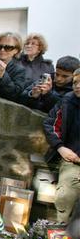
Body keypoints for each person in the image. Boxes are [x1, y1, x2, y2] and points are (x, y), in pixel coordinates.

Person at [43, 71, 80, 224]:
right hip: (72, 159)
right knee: (65, 194)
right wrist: (60, 148)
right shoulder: (67, 101)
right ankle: (61, 237)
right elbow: (50, 124)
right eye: (75, 83)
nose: (77, 86)